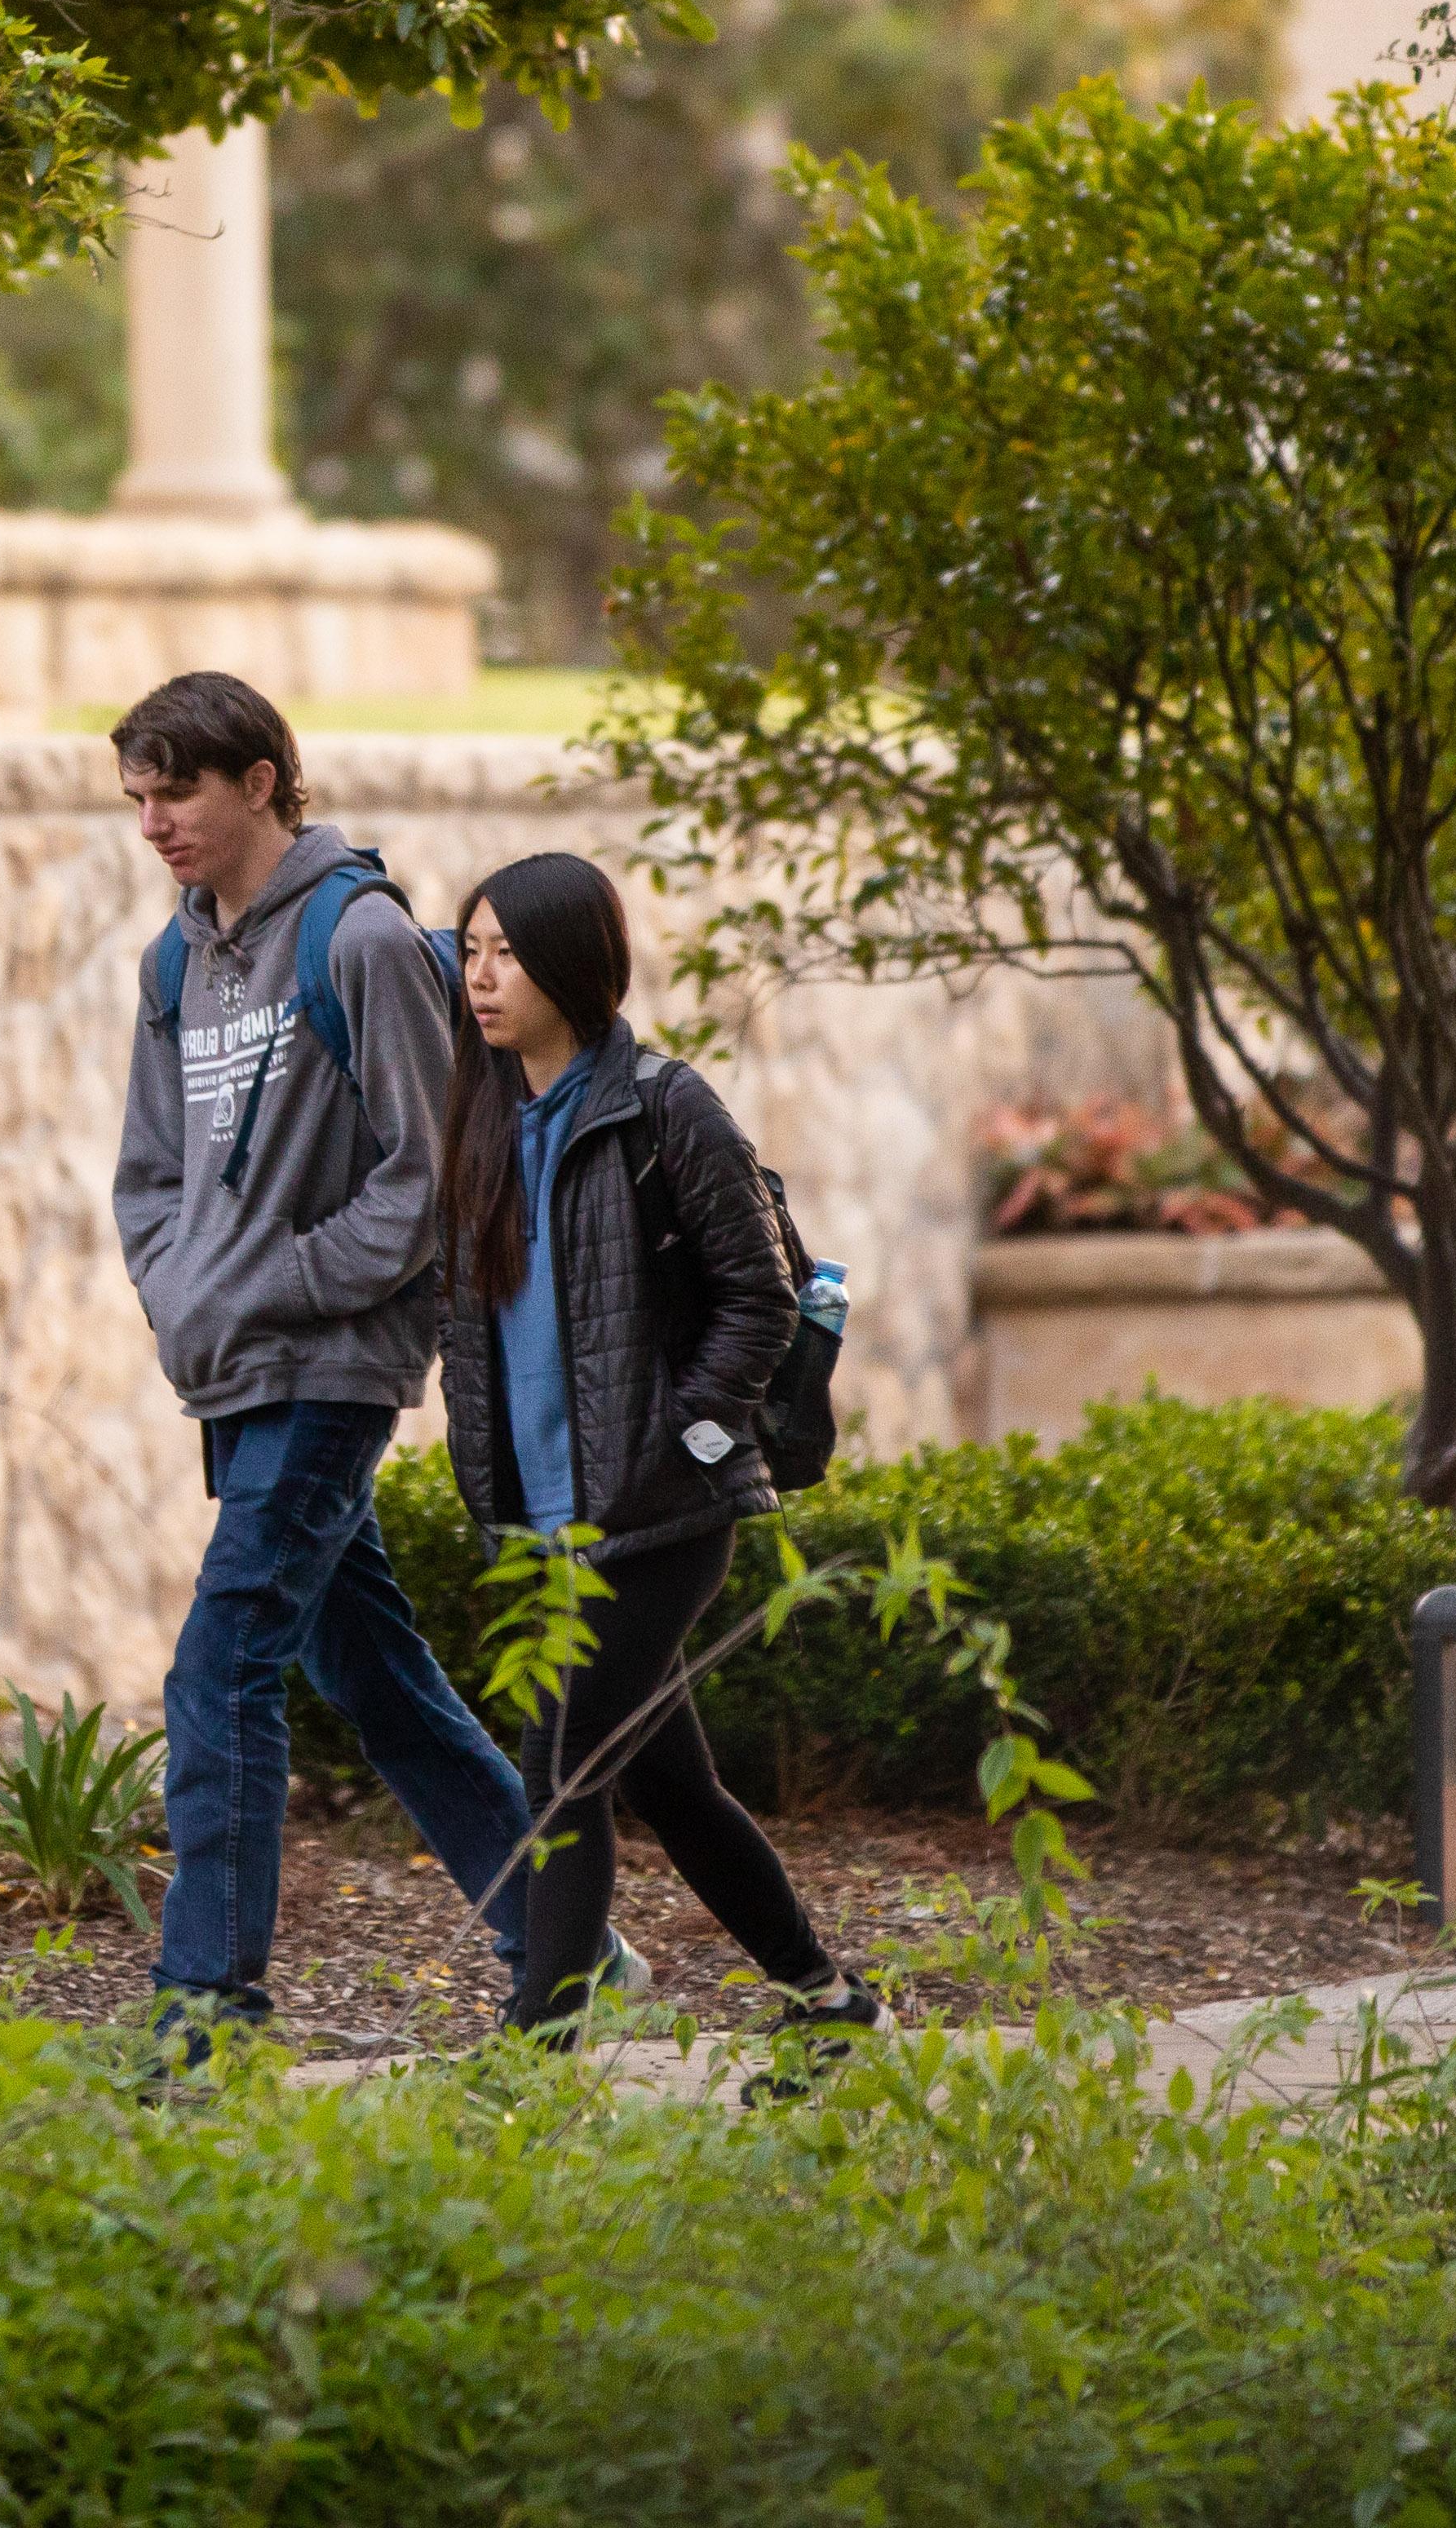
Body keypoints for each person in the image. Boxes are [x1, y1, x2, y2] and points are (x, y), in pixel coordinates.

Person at [110, 668, 541, 2037]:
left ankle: (209, 2003)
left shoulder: (358, 942)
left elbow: (426, 1180)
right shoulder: (175, 963)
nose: (155, 821)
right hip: (234, 1367)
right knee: (370, 1675)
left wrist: (280, 1284)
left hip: (337, 1366)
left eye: (177, 789)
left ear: (259, 782)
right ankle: (566, 1936)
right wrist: (188, 1291)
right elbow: (149, 1176)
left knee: (222, 1660)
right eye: (136, 796)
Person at [434, 848, 877, 2057]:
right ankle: (826, 1996)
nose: (480, 977)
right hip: (545, 1516)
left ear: (577, 963)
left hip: (662, 1515)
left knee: (563, 1758)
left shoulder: (662, 1106)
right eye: (470, 951)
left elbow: (761, 1295)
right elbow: (464, 1318)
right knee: (671, 1784)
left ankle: (537, 2045)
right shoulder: (477, 1116)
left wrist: (687, 1433)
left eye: (507, 954)